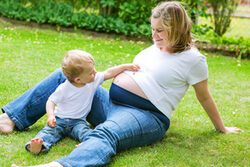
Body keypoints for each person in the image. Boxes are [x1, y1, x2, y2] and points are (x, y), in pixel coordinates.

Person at [0, 1, 242, 167]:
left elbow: (204, 96)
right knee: (62, 76)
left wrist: (221, 128)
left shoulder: (194, 60)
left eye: (160, 31)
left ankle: (61, 164)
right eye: (152, 29)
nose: (154, 35)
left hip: (146, 115)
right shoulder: (155, 46)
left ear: (177, 29)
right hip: (111, 104)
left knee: (107, 133)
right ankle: (12, 117)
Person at [24, 49, 140, 155]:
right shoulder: (64, 88)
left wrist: (125, 66)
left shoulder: (92, 81)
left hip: (78, 122)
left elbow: (109, 72)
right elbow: (51, 101)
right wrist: (51, 116)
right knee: (49, 132)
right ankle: (37, 145)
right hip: (60, 120)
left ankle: (87, 144)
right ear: (78, 79)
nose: (95, 73)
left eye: (94, 69)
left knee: (87, 133)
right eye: (91, 72)